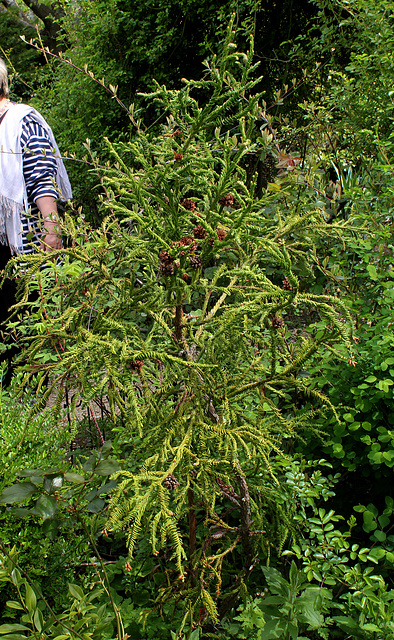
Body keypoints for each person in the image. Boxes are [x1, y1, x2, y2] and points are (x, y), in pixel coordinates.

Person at [0, 57, 72, 384]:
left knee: (33, 317)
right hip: (3, 242)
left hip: (29, 240)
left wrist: (52, 231)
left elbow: (43, 177)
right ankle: (18, 388)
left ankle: (41, 392)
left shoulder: (23, 121)